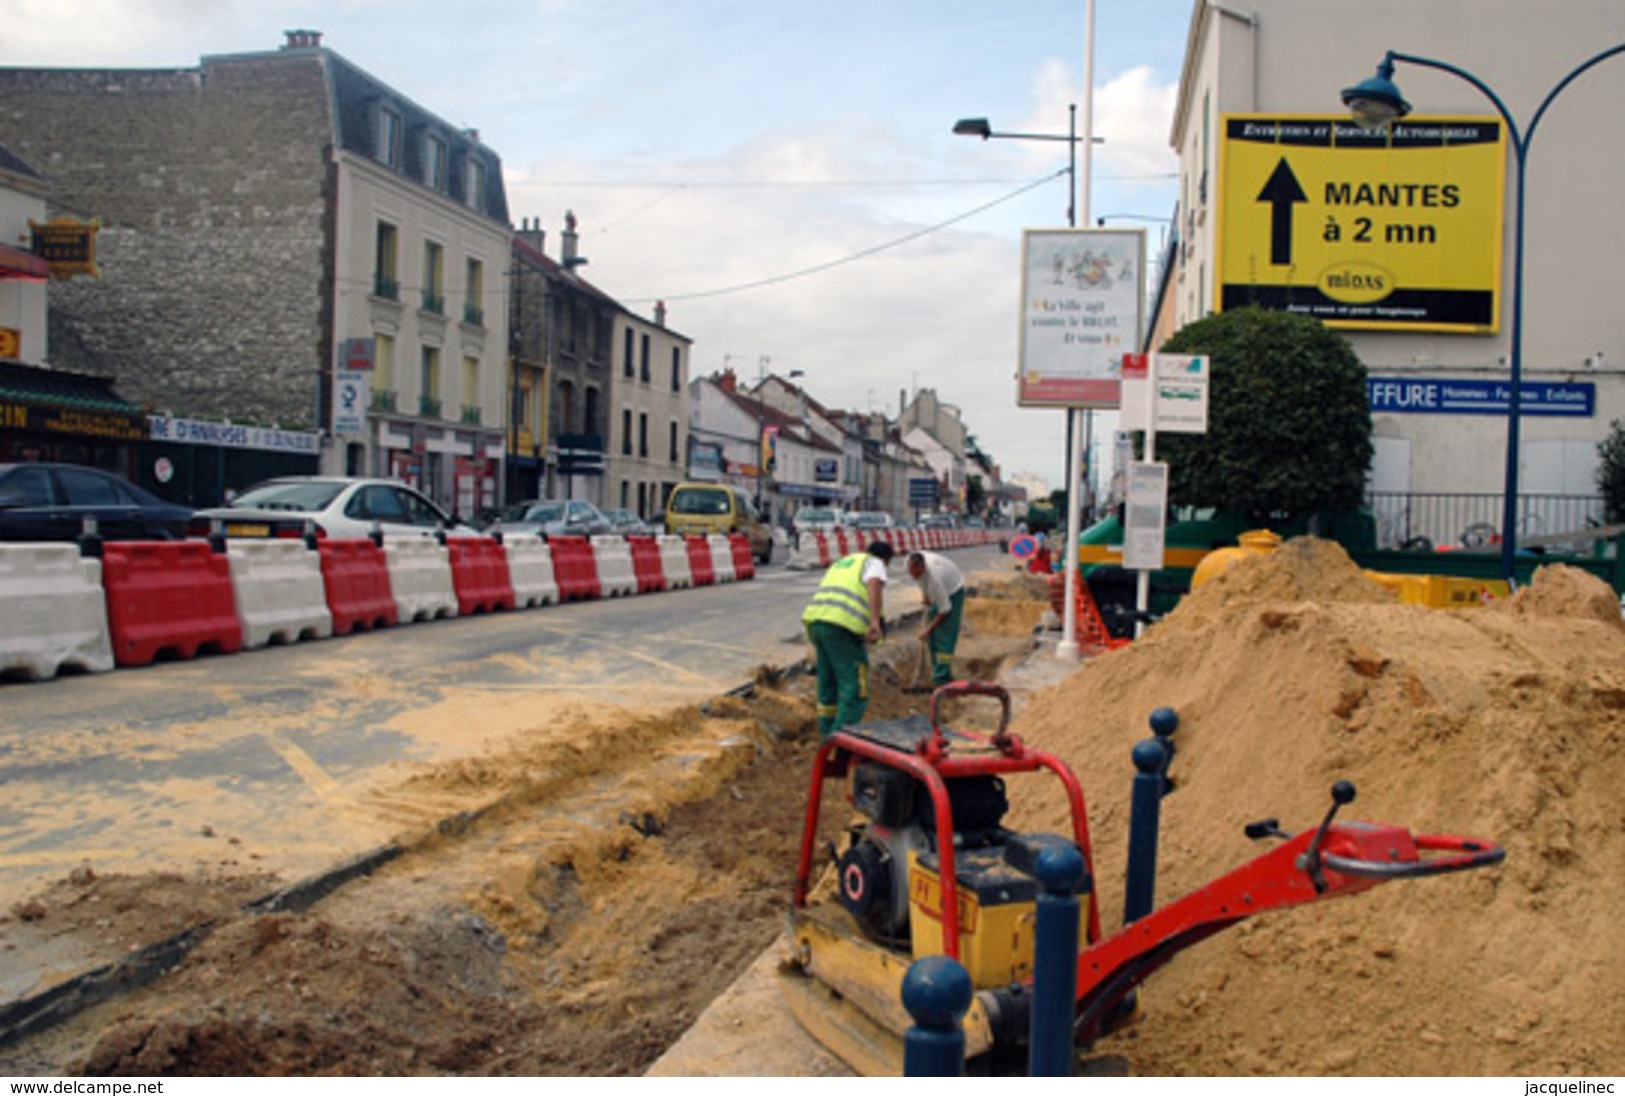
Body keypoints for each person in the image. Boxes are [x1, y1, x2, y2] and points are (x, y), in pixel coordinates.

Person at [802, 540, 894, 739]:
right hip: (841, 627)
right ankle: (840, 743)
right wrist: (875, 622)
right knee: (855, 689)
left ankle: (826, 737)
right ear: (885, 559)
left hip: (818, 623)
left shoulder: (843, 562)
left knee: (828, 686)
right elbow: (874, 583)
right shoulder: (874, 562)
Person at [907, 550, 965, 688]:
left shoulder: (935, 580)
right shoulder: (909, 562)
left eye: (916, 574)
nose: (913, 576)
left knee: (944, 636)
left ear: (922, 568)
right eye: (911, 573)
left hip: (953, 589)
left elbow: (945, 610)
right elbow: (920, 581)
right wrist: (925, 595)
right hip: (937, 587)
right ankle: (936, 670)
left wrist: (929, 629)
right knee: (932, 638)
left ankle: (942, 678)